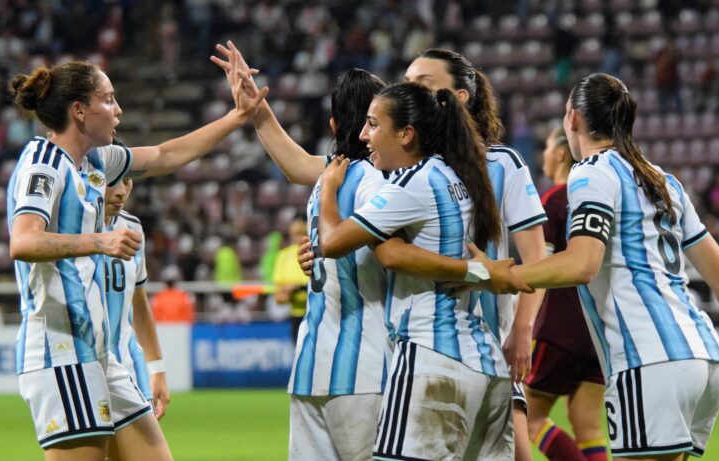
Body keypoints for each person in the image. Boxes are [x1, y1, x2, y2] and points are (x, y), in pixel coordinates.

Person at [216, 44, 527, 461]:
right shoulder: (407, 176)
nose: (367, 133)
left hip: (360, 361)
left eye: (374, 124)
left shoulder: (364, 180)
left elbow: (371, 245)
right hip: (394, 361)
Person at [7, 59, 265, 461]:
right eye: (108, 99)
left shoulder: (95, 161)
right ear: (79, 110)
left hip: (100, 354)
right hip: (61, 353)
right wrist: (100, 241)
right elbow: (23, 241)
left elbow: (164, 154)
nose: (119, 109)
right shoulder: (44, 165)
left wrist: (238, 117)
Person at [511, 73, 719, 461]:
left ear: (573, 117)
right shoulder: (664, 181)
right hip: (705, 358)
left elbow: (583, 264)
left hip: (649, 359)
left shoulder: (591, 171)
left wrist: (505, 275)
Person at [318, 82, 513, 460]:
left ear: (406, 134)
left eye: (374, 125)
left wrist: (329, 189)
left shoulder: (410, 185)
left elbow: (332, 242)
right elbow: (394, 252)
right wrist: (476, 272)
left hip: (432, 356)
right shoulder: (456, 175)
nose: (363, 135)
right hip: (485, 362)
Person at [404, 48, 548, 461]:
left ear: (460, 96)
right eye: (407, 85)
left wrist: (522, 329)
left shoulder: (502, 164)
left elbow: (537, 260)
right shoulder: (404, 170)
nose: (411, 93)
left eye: (423, 85)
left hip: (491, 345)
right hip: (423, 345)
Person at [524, 127, 607, 461]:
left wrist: (523, 325)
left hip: (560, 330)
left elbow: (540, 269)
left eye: (546, 148)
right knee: (588, 426)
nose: (543, 155)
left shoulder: (554, 201)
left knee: (529, 418)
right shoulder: (597, 198)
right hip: (599, 332)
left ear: (560, 153)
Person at [102, 174, 171, 459]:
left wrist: (158, 369)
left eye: (128, 182)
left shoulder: (132, 227)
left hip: (128, 365)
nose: (121, 192)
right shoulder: (70, 228)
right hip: (84, 365)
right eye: (112, 182)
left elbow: (139, 303)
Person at [271, 218, 310, 342]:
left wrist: (296, 287)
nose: (296, 238)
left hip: (319, 313)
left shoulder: (318, 252)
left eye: (301, 233)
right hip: (297, 315)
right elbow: (279, 297)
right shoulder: (283, 256)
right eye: (293, 234)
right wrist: (290, 290)